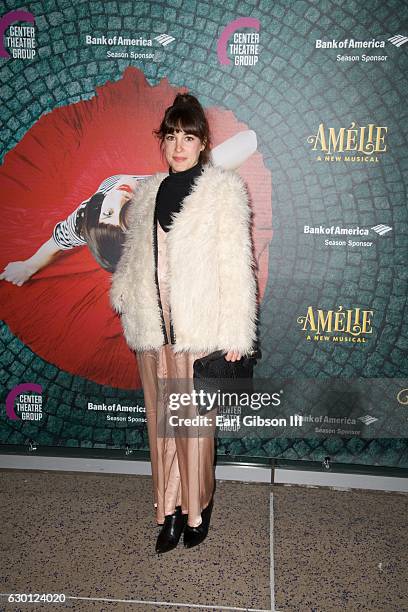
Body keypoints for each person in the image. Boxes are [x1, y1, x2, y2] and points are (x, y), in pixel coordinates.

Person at [110, 93, 257, 552]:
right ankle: (168, 511)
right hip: (156, 333)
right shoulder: (151, 191)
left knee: (193, 428)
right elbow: (134, 258)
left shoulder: (222, 191)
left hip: (198, 330)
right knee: (162, 425)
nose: (178, 145)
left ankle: (197, 508)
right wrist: (127, 298)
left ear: (202, 142)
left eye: (187, 136)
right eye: (171, 136)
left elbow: (237, 264)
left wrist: (236, 331)